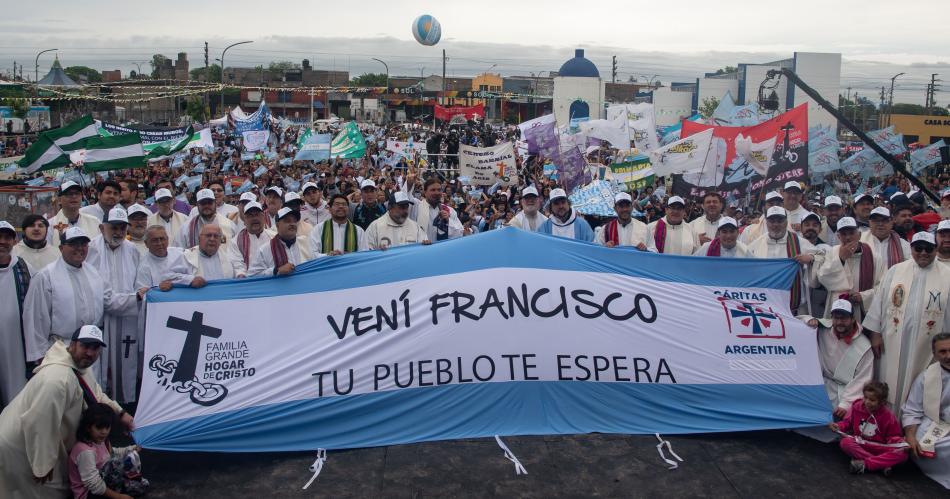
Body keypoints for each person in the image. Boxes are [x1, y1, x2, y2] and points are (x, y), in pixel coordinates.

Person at [0, 325, 133, 498]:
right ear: (73, 344)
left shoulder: (78, 365)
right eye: (85, 346)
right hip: (21, 444)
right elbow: (39, 421)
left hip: (36, 439)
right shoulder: (56, 379)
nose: (90, 353)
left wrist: (120, 413)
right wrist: (42, 464)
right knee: (37, 490)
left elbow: (95, 393)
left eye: (95, 348)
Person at [863, 232, 950, 411]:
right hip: (892, 340)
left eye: (928, 248)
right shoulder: (896, 271)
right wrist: (876, 333)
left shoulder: (947, 276)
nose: (923, 252)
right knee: (890, 379)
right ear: (911, 248)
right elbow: (879, 301)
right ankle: (888, 421)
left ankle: (913, 423)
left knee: (924, 382)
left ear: (936, 249)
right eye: (918, 248)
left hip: (927, 344)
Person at [22, 227, 108, 364]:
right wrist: (40, 355)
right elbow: (35, 318)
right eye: (73, 244)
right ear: (61, 248)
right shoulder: (46, 276)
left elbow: (107, 300)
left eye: (83, 244)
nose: (80, 248)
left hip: (90, 350)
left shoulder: (94, 273)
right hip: (60, 350)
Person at [86, 208, 141, 403]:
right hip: (102, 319)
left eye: (122, 228)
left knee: (127, 366)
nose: (117, 232)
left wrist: (137, 298)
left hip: (127, 319)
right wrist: (134, 300)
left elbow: (137, 283)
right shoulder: (91, 249)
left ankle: (126, 406)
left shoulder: (132, 249)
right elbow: (99, 292)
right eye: (113, 228)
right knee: (101, 369)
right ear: (102, 228)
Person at [802, 299, 873, 417]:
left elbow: (862, 379)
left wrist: (846, 403)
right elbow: (799, 320)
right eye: (836, 318)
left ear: (852, 319)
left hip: (847, 392)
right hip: (822, 385)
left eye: (844, 318)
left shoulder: (864, 347)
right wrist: (808, 319)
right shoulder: (823, 328)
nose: (839, 322)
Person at [901, 333, 950, 489]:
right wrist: (910, 436)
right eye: (943, 352)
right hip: (934, 423)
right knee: (922, 443)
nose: (948, 356)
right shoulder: (926, 377)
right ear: (934, 355)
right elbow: (912, 410)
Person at [747, 207, 817, 314]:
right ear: (766, 222)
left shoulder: (799, 242)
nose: (776, 225)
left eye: (780, 221)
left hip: (794, 310)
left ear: (786, 222)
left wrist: (811, 258)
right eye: (772, 221)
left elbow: (822, 256)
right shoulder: (755, 246)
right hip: (764, 309)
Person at [68, 403, 145, 499]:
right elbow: (94, 485)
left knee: (140, 485)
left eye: (107, 427)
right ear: (88, 427)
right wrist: (119, 497)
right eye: (99, 427)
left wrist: (132, 448)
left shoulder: (100, 441)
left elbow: (112, 453)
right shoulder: (84, 451)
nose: (104, 432)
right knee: (117, 466)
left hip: (104, 483)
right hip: (89, 494)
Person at [831, 381, 908, 475]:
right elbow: (847, 422)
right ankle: (881, 465)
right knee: (845, 442)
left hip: (879, 447)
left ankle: (865, 463)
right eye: (865, 397)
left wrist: (901, 443)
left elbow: (893, 436)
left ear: (882, 402)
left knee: (903, 454)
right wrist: (838, 426)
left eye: (872, 400)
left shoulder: (888, 416)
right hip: (861, 443)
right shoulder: (856, 407)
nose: (867, 402)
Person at [817, 217, 878, 322]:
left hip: (861, 309)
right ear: (838, 237)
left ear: (859, 235)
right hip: (837, 307)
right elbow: (822, 277)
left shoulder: (873, 256)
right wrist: (840, 259)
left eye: (851, 233)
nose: (848, 237)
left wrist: (864, 296)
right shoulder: (832, 252)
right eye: (844, 234)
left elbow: (883, 286)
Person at [0, 221, 32, 406]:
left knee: (16, 397)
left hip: (16, 345)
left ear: (14, 241)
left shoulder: (23, 268)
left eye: (7, 238)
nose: (2, 242)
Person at [248, 207, 311, 277]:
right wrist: (276, 271)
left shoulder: (306, 242)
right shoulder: (265, 250)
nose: (292, 224)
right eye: (287, 221)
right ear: (277, 225)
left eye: (294, 221)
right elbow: (252, 275)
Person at [135, 226, 199, 293]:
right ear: (146, 243)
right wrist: (159, 288)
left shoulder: (180, 253)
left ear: (167, 240)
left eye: (162, 239)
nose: (159, 243)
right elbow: (143, 295)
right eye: (154, 240)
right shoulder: (143, 267)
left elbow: (195, 271)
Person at [365, 191, 431, 250]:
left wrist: (426, 246)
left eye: (407, 207)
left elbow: (424, 247)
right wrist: (378, 252)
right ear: (390, 207)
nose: (405, 211)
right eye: (401, 207)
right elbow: (366, 252)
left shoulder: (415, 227)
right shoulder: (375, 227)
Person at [860, 207, 910, 279]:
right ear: (869, 222)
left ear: (891, 222)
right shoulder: (860, 242)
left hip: (894, 285)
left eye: (885, 220)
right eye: (876, 221)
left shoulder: (902, 244)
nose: (880, 224)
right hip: (867, 288)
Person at [227, 202, 273, 278]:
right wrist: (241, 275)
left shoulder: (274, 237)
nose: (254, 218)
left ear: (263, 217)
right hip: (248, 282)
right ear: (244, 220)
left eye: (257, 215)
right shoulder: (235, 242)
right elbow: (237, 265)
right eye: (250, 216)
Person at [409, 177, 464, 241]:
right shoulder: (416, 206)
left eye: (439, 190)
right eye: (433, 190)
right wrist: (409, 184)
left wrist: (448, 221)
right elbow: (406, 198)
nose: (437, 193)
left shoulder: (449, 210)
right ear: (425, 192)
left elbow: (460, 233)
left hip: (441, 249)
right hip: (422, 249)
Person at [48, 181, 100, 248]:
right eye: (69, 194)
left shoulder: (94, 221)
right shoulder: (50, 225)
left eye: (77, 193)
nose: (74, 196)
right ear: (59, 200)